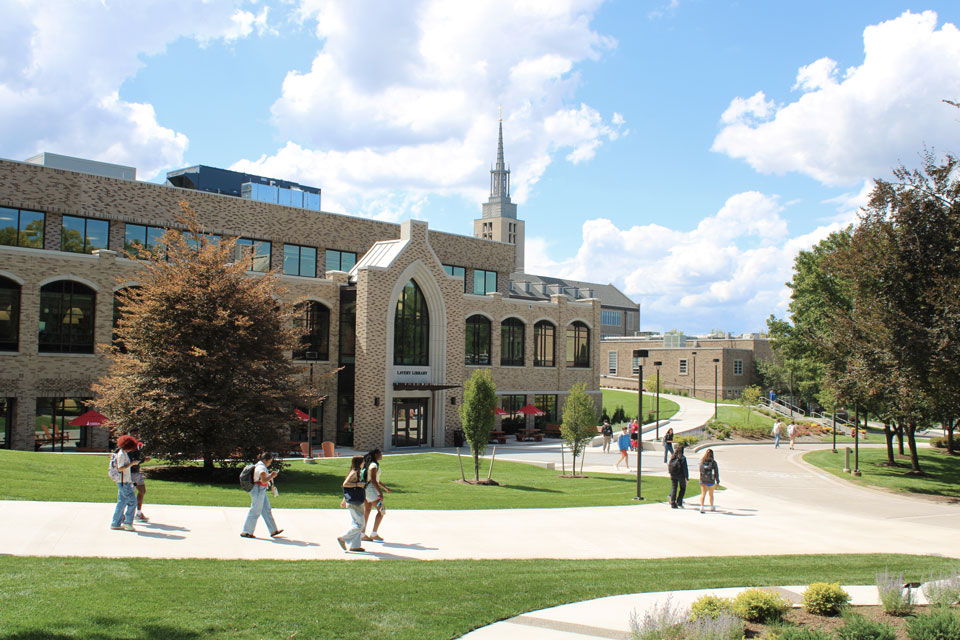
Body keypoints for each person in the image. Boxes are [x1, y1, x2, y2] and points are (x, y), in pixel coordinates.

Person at [240, 452, 283, 539]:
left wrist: (270, 476)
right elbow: (264, 480)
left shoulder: (259, 466)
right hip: (258, 490)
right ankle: (246, 531)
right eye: (269, 462)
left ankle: (273, 530)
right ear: (265, 460)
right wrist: (272, 475)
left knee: (266, 509)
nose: (269, 464)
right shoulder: (261, 468)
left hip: (260, 490)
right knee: (255, 510)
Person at [338, 456, 367, 553]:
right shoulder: (354, 472)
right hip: (354, 502)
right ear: (359, 463)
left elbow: (348, 489)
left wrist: (344, 500)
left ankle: (355, 546)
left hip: (354, 501)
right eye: (363, 462)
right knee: (360, 524)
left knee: (356, 523)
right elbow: (345, 484)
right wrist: (357, 485)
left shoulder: (357, 472)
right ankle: (343, 538)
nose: (364, 463)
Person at [110, 435, 140, 531]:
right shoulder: (122, 454)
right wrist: (132, 464)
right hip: (124, 482)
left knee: (121, 502)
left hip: (122, 481)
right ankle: (127, 522)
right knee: (133, 501)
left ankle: (116, 523)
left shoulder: (122, 453)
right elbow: (120, 468)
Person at [361, 449, 391, 542]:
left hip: (366, 489)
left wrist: (385, 487)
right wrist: (380, 492)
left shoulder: (369, 464)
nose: (381, 455)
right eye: (380, 454)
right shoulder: (373, 466)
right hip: (371, 490)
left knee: (367, 510)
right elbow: (373, 480)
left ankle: (362, 533)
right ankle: (374, 533)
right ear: (376, 455)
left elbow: (375, 479)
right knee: (381, 510)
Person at [128, 427, 151, 522]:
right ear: (130, 435)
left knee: (142, 491)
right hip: (130, 474)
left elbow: (137, 460)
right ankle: (126, 515)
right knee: (130, 495)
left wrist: (142, 459)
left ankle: (138, 513)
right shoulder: (128, 447)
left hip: (137, 473)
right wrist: (143, 460)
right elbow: (131, 461)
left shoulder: (137, 446)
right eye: (134, 434)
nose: (137, 436)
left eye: (138, 434)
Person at [698, 449, 720, 513]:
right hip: (711, 480)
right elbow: (716, 472)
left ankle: (702, 506)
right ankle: (711, 506)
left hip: (703, 480)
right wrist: (717, 481)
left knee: (703, 494)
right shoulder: (713, 462)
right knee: (711, 494)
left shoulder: (702, 461)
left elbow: (700, 470)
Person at [667, 444, 688, 509]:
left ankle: (673, 503)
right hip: (681, 475)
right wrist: (687, 477)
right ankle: (679, 501)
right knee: (682, 488)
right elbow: (685, 468)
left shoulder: (673, 457)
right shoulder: (683, 458)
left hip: (673, 475)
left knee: (674, 488)